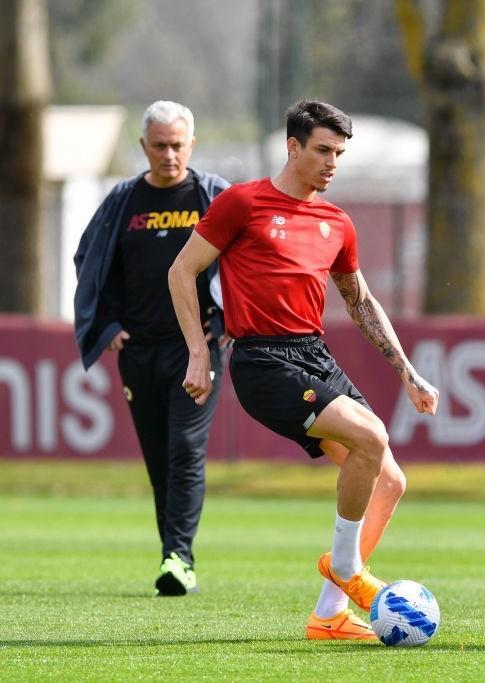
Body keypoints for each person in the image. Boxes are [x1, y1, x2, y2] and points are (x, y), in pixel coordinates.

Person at [168, 100, 439, 640]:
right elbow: (182, 270)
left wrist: (407, 371)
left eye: (339, 153)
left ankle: (329, 614)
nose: (332, 162)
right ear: (293, 147)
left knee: (390, 480)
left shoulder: (337, 222)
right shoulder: (241, 203)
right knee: (371, 435)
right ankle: (346, 567)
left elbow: (359, 302)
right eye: (322, 150)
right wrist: (199, 351)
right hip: (262, 360)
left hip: (313, 354)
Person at [73, 101, 230, 596]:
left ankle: (178, 557)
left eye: (177, 144)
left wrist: (228, 319)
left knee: (186, 448)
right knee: (159, 458)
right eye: (159, 145)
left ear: (192, 145)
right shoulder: (123, 201)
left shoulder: (213, 198)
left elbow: (250, 260)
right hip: (139, 352)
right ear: (143, 147)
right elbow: (91, 259)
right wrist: (107, 323)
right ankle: (174, 556)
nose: (168, 154)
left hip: (196, 350)